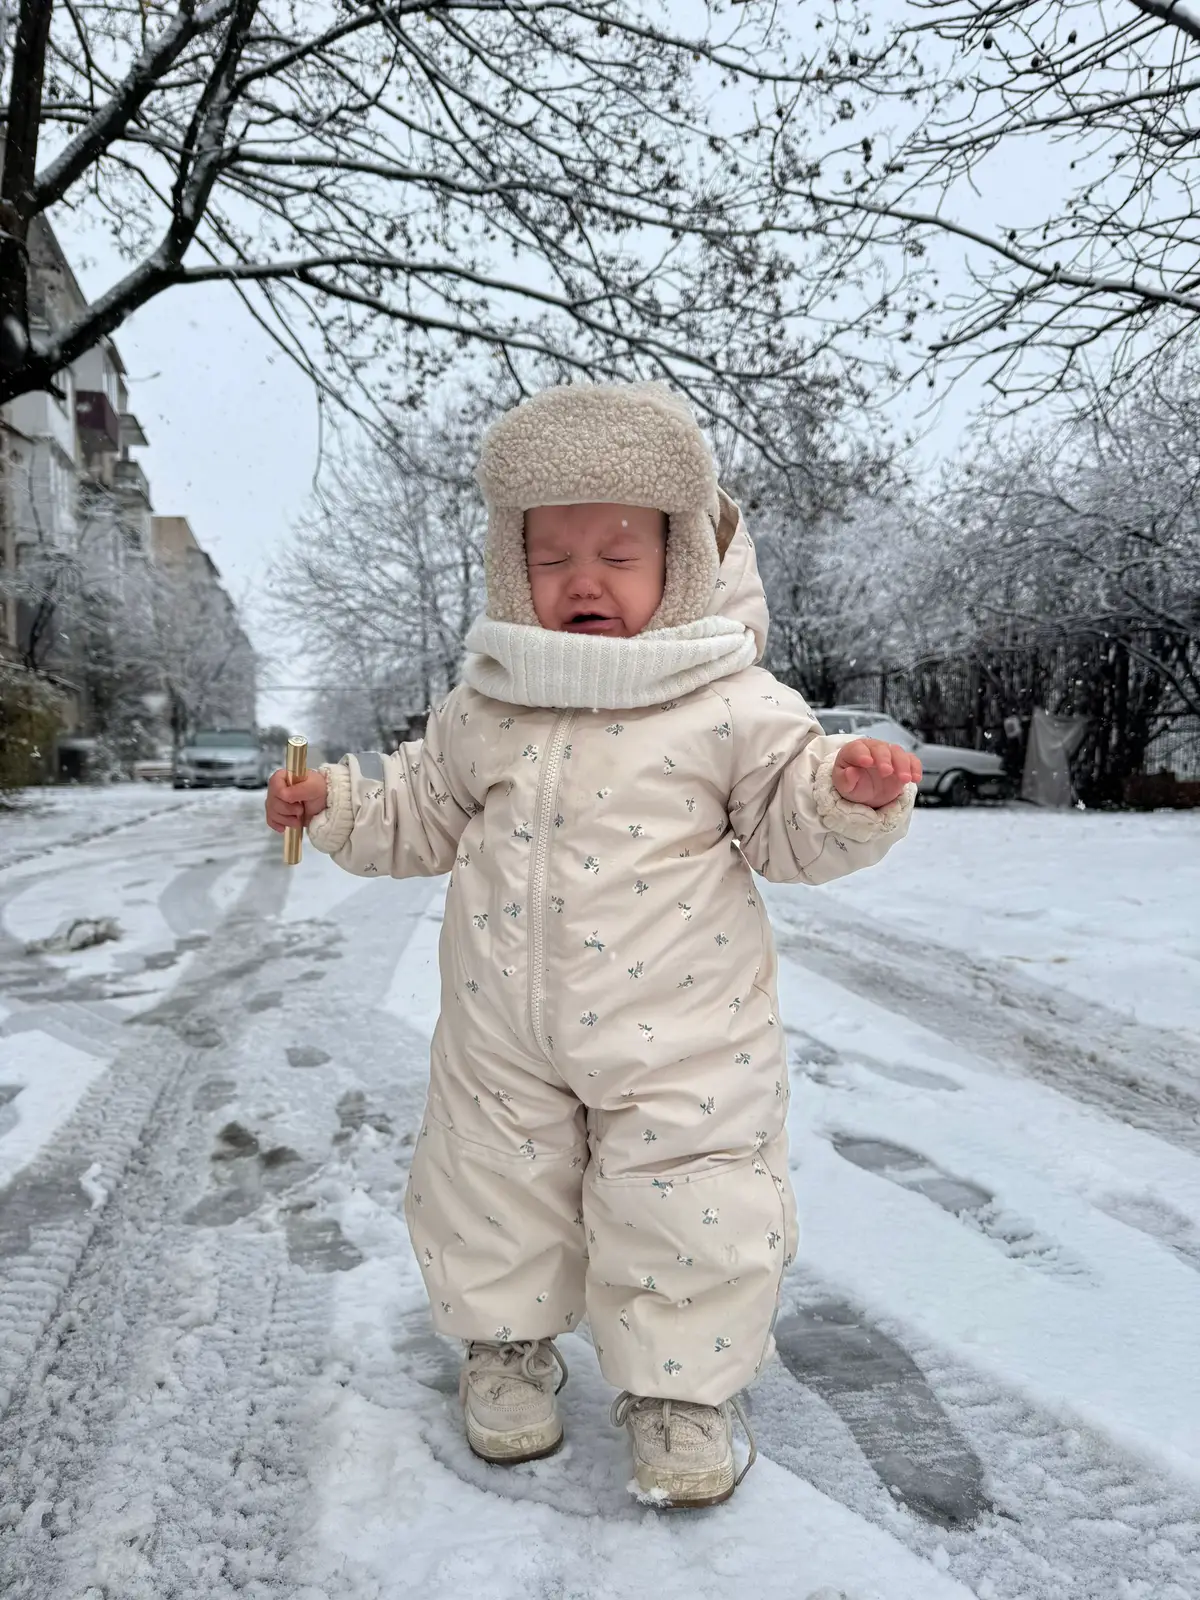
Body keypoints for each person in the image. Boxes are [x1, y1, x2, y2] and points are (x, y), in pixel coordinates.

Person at [266, 382, 920, 1508]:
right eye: (553, 553)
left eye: (619, 554)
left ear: (684, 563)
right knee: (489, 1186)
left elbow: (784, 820)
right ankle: (505, 1347)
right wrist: (335, 805)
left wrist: (844, 797)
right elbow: (420, 810)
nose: (583, 580)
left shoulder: (732, 701)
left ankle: (681, 1390)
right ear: (512, 567)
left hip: (683, 1035)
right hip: (503, 1035)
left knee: (688, 1197)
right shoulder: (487, 701)